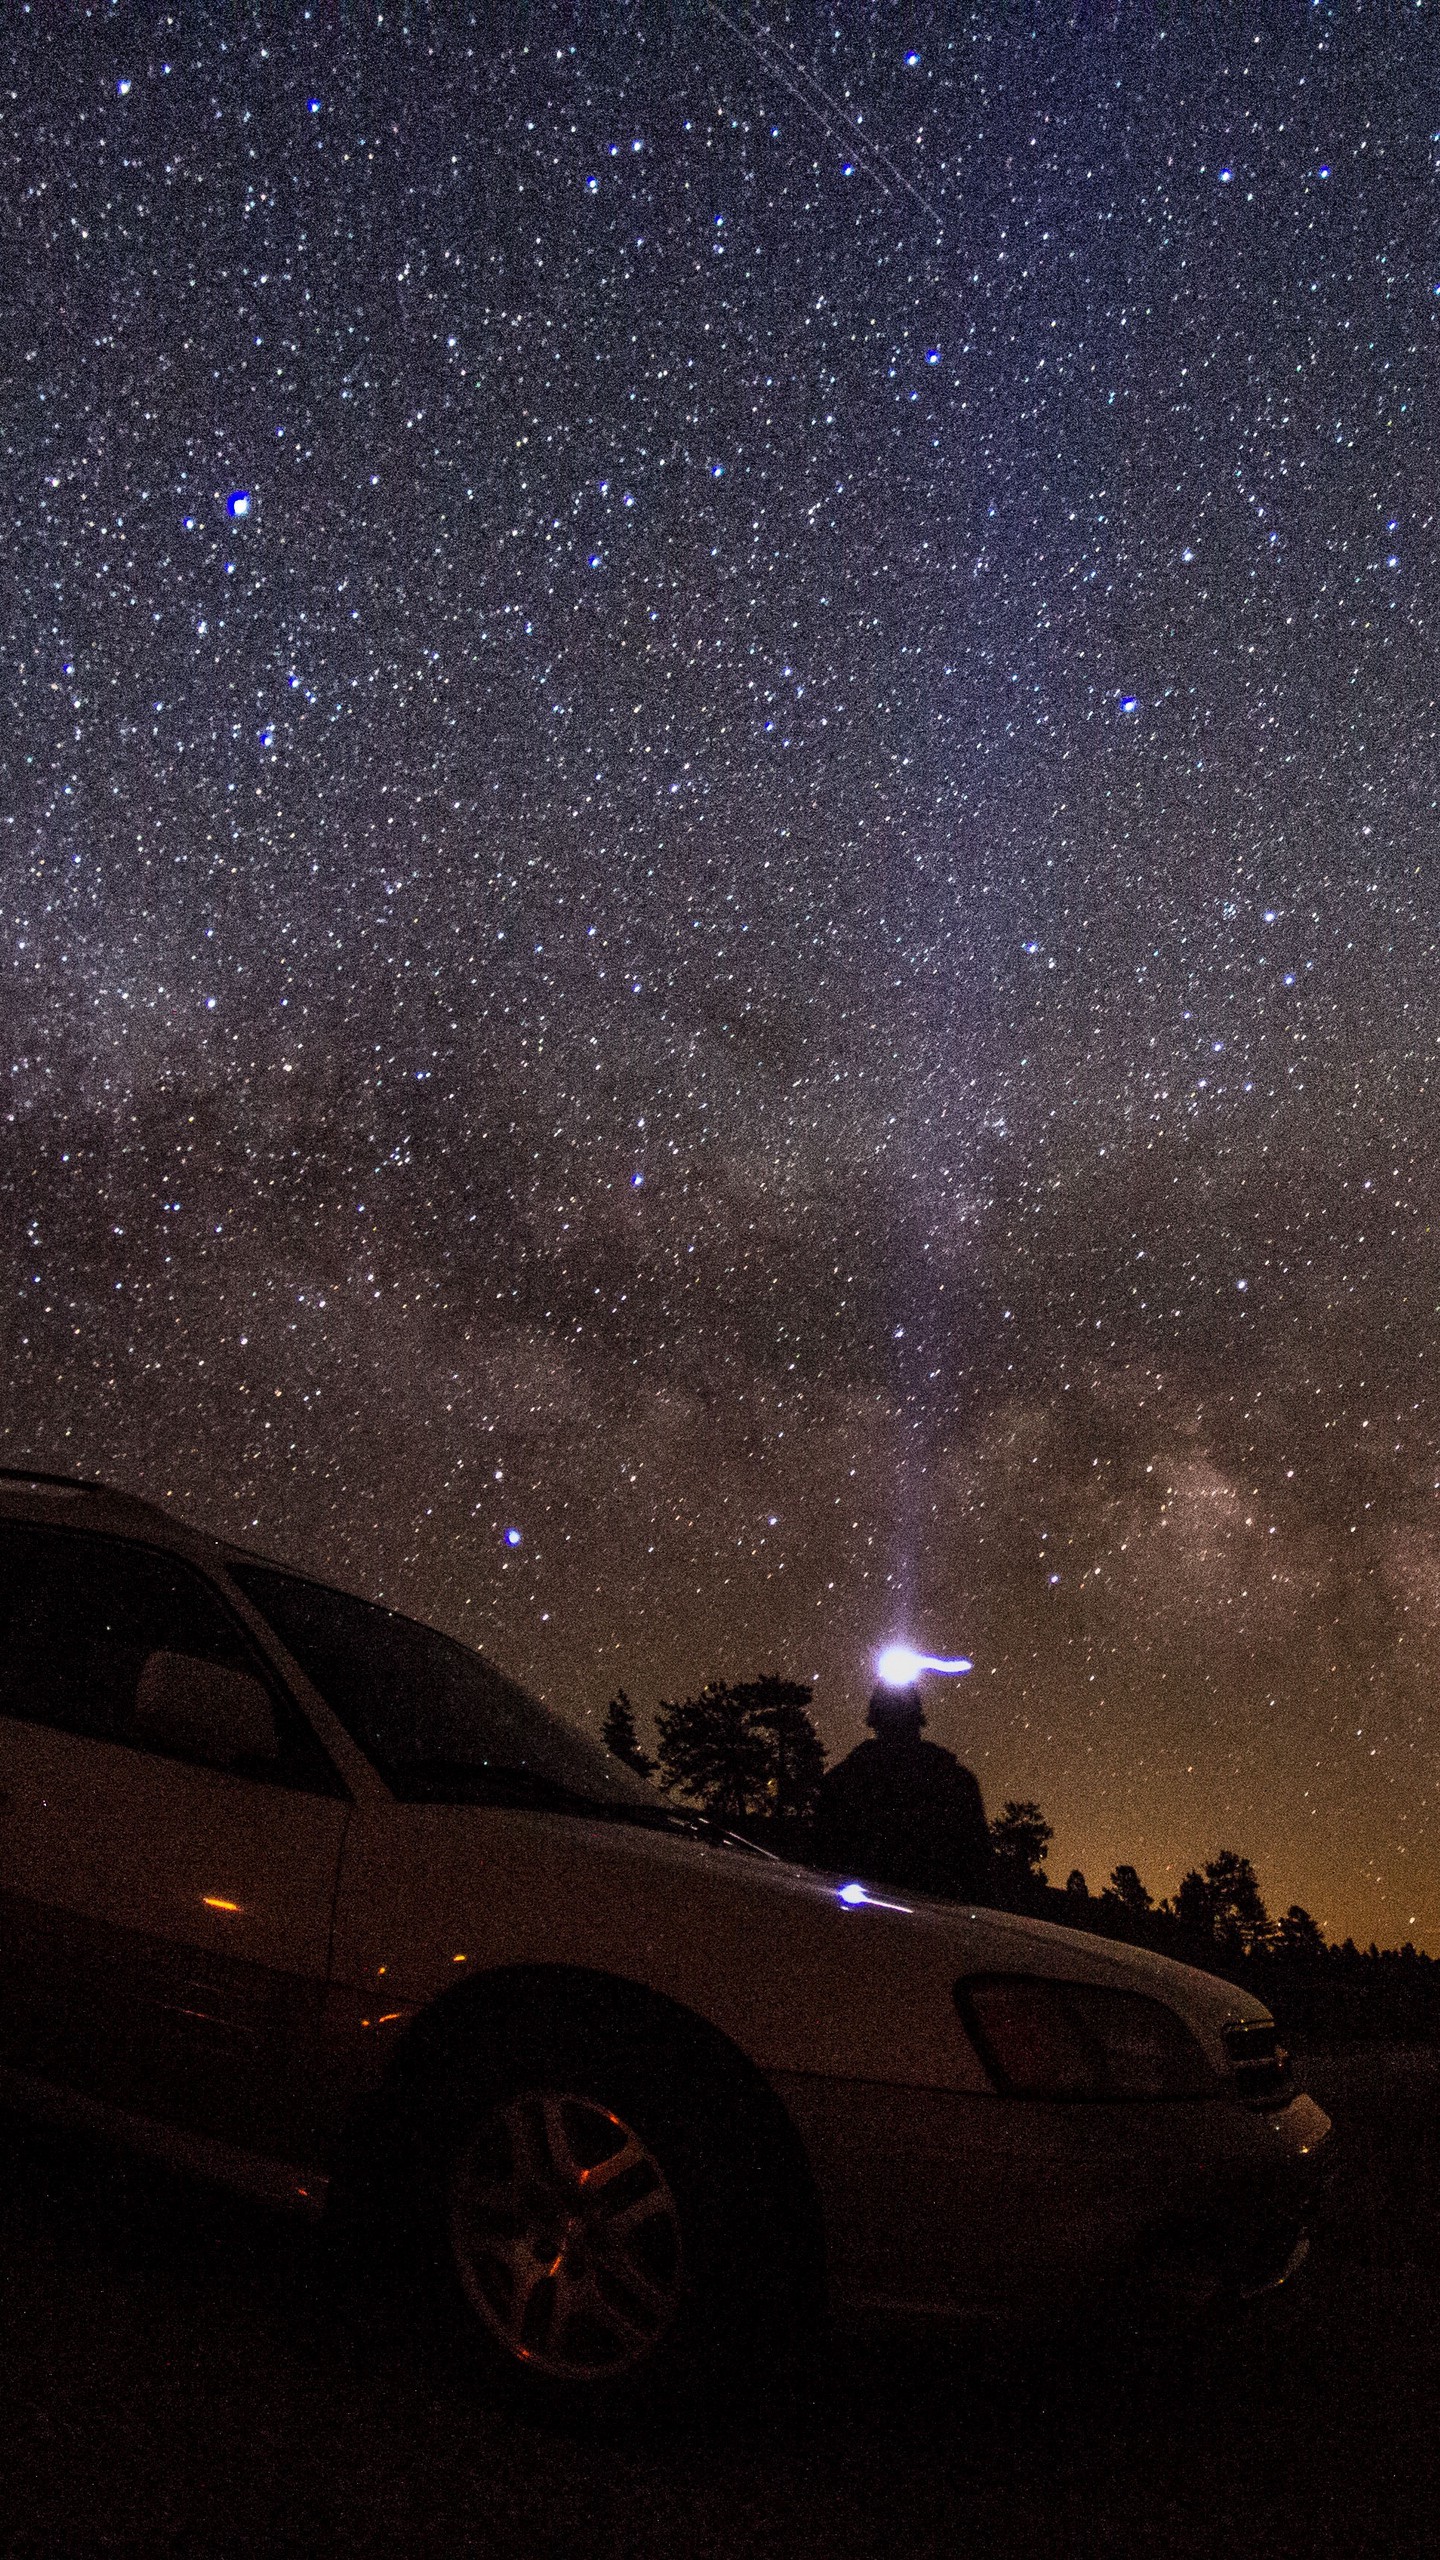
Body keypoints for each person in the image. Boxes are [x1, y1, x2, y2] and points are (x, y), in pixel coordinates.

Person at [810, 1684, 994, 1903]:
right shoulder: (954, 1780)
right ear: (918, 1720)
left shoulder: (844, 1780)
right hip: (937, 1917)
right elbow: (980, 1866)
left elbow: (821, 1856)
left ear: (874, 1721)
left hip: (858, 1916)